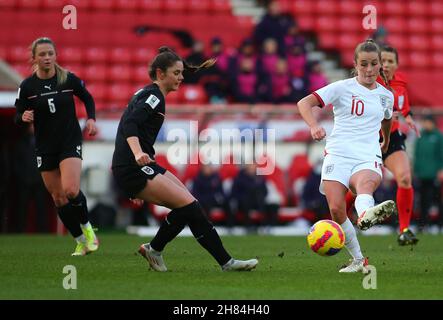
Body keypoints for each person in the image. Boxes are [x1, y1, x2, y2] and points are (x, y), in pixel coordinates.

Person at [111, 46, 258, 272]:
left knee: (188, 205)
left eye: (181, 73)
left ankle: (155, 249)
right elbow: (130, 123)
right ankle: (225, 262)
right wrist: (138, 153)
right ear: (161, 74)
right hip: (134, 165)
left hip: (140, 164)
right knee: (190, 205)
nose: (181, 78)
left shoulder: (150, 93)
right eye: (176, 73)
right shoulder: (153, 96)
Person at [297, 39, 397, 273]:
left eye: (374, 64)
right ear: (355, 64)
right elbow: (304, 103)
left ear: (380, 65)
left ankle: (365, 214)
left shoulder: (386, 96)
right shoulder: (341, 87)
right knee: (336, 209)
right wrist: (313, 126)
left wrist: (387, 139)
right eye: (364, 64)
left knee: (365, 184)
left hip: (367, 153)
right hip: (339, 152)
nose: (369, 69)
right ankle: (359, 260)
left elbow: (387, 118)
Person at [14, 37, 98, 255]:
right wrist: (22, 115)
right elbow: (17, 114)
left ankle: (89, 230)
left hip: (69, 141)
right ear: (34, 58)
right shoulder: (27, 86)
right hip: (45, 146)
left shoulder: (67, 79)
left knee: (71, 190)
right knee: (58, 198)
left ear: (55, 55)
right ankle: (80, 241)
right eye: (42, 54)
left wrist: (91, 119)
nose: (47, 57)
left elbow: (87, 98)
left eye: (50, 53)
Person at [345, 45, 419, 245]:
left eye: (390, 61)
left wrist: (408, 116)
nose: (385, 65)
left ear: (396, 65)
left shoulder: (400, 84)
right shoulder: (367, 83)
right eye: (382, 61)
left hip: (391, 138)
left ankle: (403, 230)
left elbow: (402, 104)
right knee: (357, 188)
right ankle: (339, 222)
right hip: (367, 139)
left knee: (404, 177)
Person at [413, 114, 443, 232]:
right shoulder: (421, 136)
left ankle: (439, 225)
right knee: (423, 201)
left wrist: (441, 169)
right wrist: (415, 170)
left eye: (427, 122)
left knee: (437, 200)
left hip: (434, 174)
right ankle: (424, 225)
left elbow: (441, 154)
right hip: (422, 174)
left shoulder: (438, 137)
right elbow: (417, 155)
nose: (425, 125)